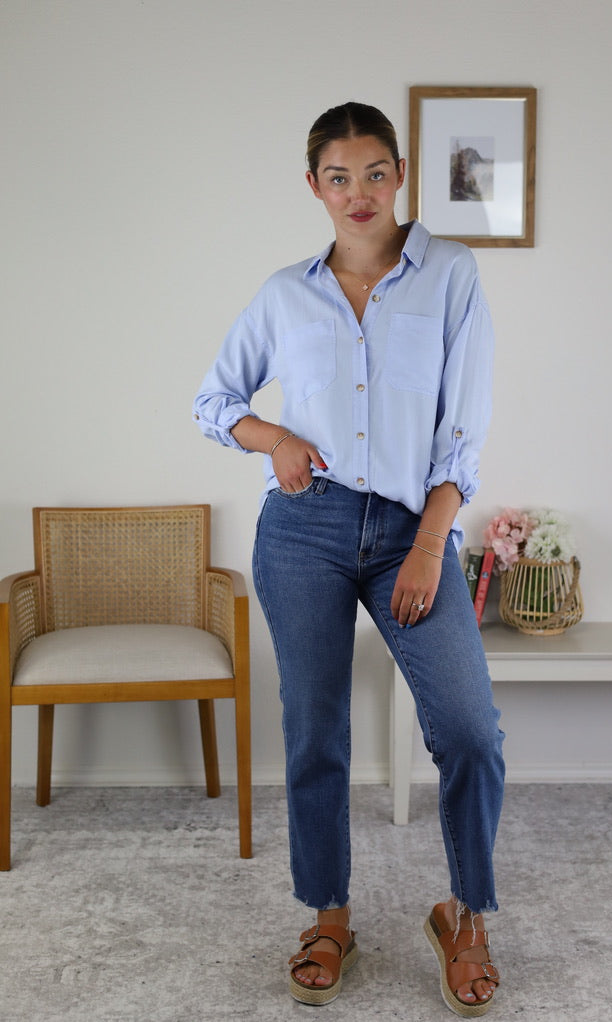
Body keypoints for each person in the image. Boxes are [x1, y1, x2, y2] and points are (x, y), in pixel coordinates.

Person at [193, 101, 505, 1016]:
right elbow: (214, 401)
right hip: (304, 531)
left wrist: (428, 546)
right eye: (338, 177)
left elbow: (462, 432)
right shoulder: (284, 293)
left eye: (374, 173)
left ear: (399, 175)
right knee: (315, 730)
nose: (358, 192)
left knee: (468, 731)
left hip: (413, 529)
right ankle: (329, 916)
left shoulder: (449, 273)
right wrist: (275, 439)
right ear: (314, 186)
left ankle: (465, 914)